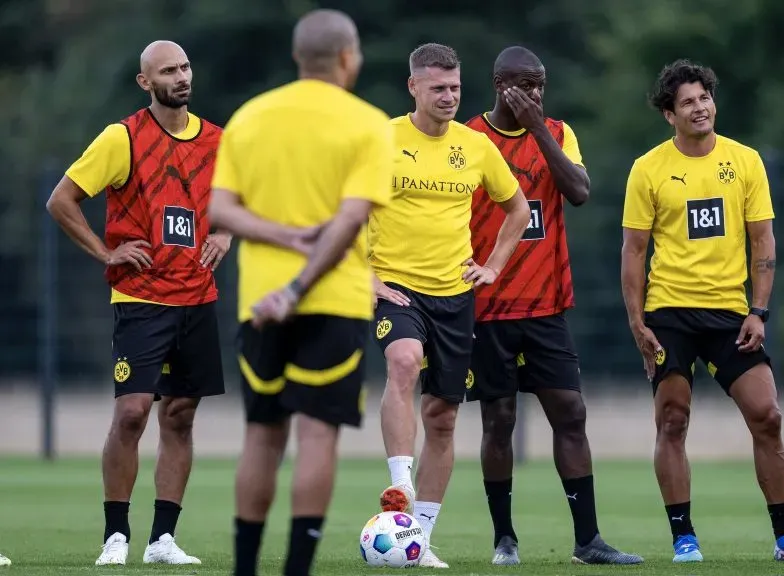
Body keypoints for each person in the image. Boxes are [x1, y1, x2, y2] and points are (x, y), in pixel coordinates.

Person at [206, 10, 392, 576]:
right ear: (346, 57)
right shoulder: (368, 124)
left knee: (261, 437)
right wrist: (299, 285)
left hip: (257, 303)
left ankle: (244, 569)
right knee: (316, 438)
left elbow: (221, 211)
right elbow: (347, 223)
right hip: (330, 302)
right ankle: (296, 570)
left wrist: (281, 242)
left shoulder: (248, 118)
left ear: (297, 58)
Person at [620, 59, 784, 564]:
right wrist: (637, 323)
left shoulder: (746, 161)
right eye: (688, 101)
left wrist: (759, 311)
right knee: (672, 421)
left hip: (731, 314)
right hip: (669, 311)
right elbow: (633, 251)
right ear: (669, 114)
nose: (700, 107)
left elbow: (763, 241)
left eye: (705, 97)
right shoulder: (648, 168)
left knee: (768, 416)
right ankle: (684, 539)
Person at [45, 40, 228, 567]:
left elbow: (240, 203)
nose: (182, 76)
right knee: (131, 414)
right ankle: (116, 536)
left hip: (197, 296)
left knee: (181, 414)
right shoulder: (121, 138)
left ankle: (162, 540)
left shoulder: (218, 140)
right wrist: (106, 251)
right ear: (146, 82)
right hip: (142, 298)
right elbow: (61, 200)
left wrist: (225, 236)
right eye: (169, 70)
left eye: (186, 66)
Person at [463, 46, 643, 567]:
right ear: (499, 84)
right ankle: (505, 539)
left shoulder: (558, 133)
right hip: (488, 307)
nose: (534, 93)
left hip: (546, 306)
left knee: (571, 412)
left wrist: (538, 128)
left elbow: (580, 191)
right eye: (524, 84)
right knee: (498, 421)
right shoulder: (470, 139)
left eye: (540, 83)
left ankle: (588, 541)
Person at [372, 43, 531, 569]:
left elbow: (518, 208)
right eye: (437, 87)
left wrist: (494, 266)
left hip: (454, 294)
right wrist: (364, 276)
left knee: (442, 418)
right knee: (401, 360)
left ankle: (417, 537)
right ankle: (398, 488)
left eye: (456, 87)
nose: (449, 96)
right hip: (396, 287)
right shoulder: (381, 140)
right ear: (413, 87)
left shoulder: (476, 147)